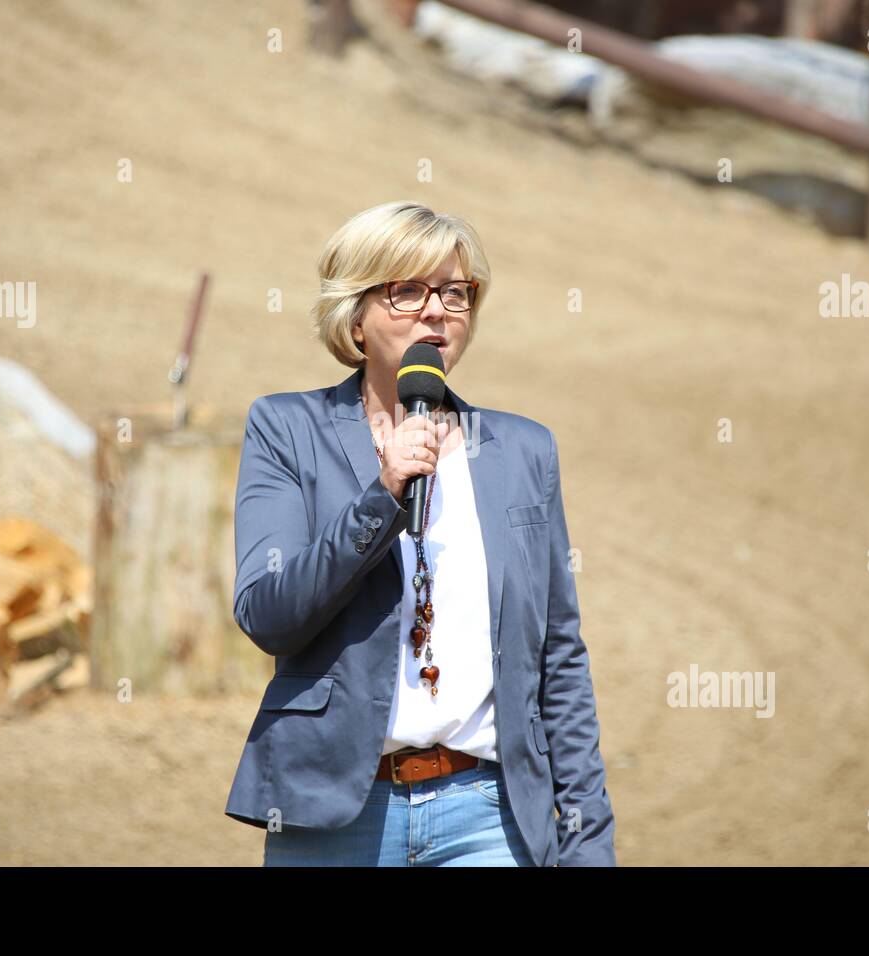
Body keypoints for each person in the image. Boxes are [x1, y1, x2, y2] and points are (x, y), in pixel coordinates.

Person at [224, 200, 615, 866]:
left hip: (490, 819)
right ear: (356, 314)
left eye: (456, 293)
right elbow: (269, 615)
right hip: (336, 818)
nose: (437, 310)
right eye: (407, 290)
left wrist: (587, 841)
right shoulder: (286, 429)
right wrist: (382, 495)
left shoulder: (524, 451)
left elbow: (559, 658)